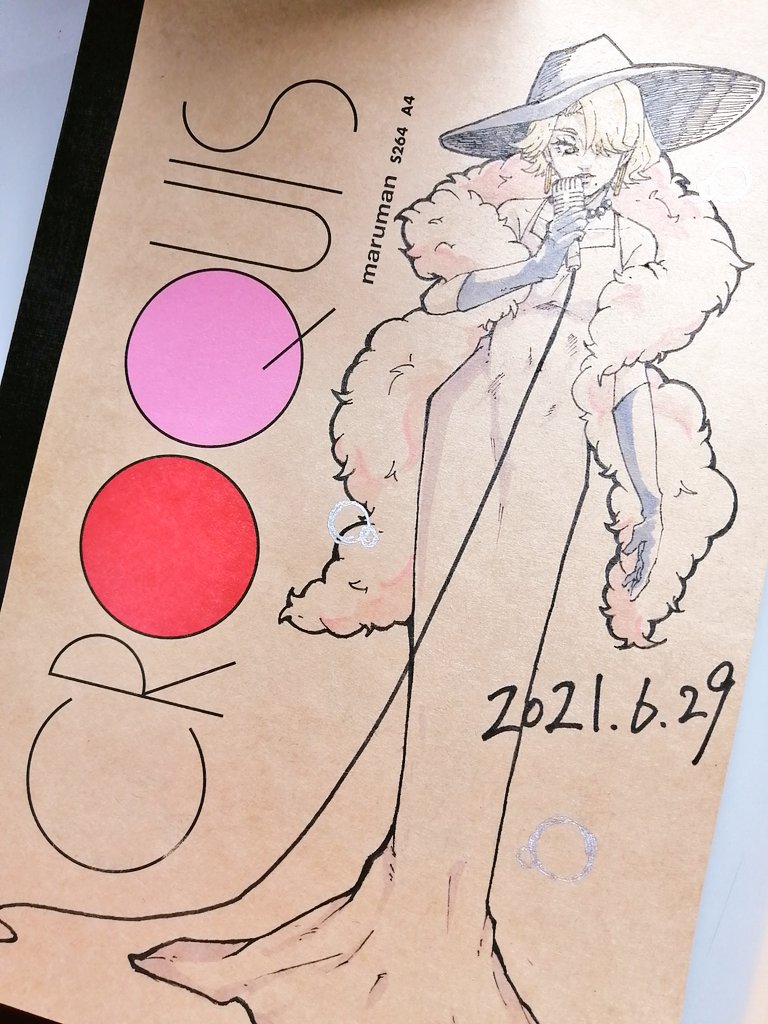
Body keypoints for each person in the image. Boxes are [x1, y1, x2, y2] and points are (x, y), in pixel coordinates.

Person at [130, 36, 763, 1024]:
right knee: (445, 668)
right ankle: (394, 913)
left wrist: (644, 499)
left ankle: (445, 924)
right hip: (470, 427)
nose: (575, 161)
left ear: (628, 145)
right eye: (561, 141)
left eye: (595, 143)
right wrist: (539, 262)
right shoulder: (513, 214)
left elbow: (623, 376)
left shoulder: (646, 247)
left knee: (490, 678)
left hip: (548, 458)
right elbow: (448, 297)